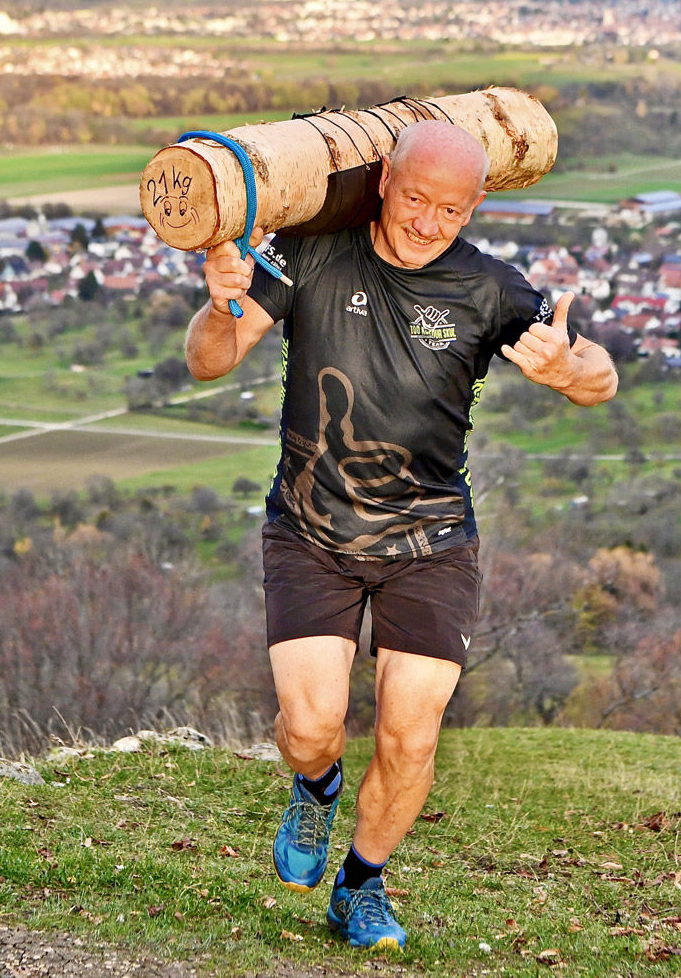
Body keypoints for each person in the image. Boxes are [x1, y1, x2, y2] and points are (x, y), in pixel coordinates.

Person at [184, 119, 618, 952]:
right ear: (384, 178)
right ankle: (316, 786)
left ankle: (362, 883)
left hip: (432, 539)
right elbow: (210, 357)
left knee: (410, 732)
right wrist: (220, 300)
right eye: (415, 197)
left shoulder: (489, 288)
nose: (428, 221)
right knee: (310, 727)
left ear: (476, 204)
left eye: (450, 209)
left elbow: (599, 375)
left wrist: (569, 370)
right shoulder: (314, 250)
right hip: (311, 528)